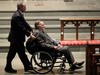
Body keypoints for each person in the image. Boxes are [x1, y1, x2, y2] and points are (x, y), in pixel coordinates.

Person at [5, 2, 35, 73]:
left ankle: (27, 66)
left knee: (22, 53)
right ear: (20, 7)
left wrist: (31, 29)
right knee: (11, 54)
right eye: (24, 7)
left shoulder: (19, 14)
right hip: (15, 39)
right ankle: (8, 67)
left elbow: (25, 23)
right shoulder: (17, 16)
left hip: (18, 38)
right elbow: (22, 27)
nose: (25, 8)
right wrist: (29, 34)